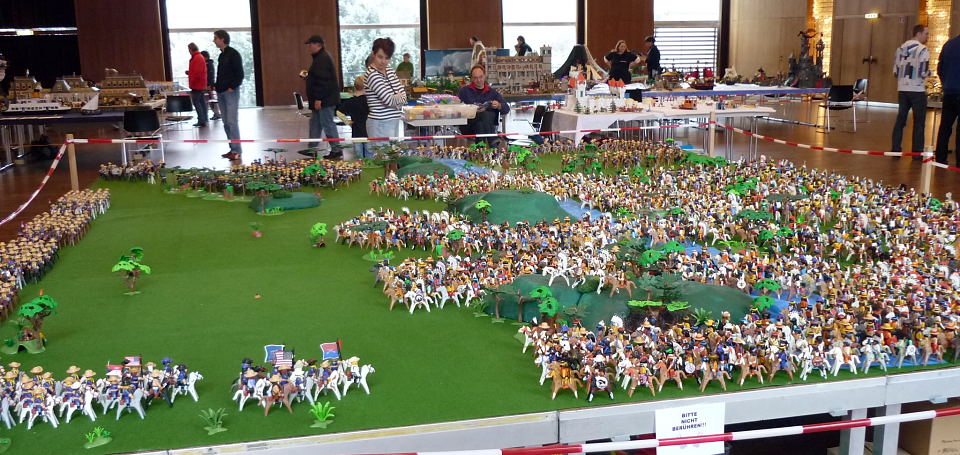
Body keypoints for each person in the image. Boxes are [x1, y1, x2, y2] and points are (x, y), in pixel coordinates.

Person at [892, 24, 930, 159]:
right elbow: (923, 72)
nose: (927, 37)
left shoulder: (900, 48)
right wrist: (930, 73)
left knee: (900, 120)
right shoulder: (923, 49)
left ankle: (895, 149)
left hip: (902, 89)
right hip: (917, 90)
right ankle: (917, 153)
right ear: (918, 34)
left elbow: (895, 72)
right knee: (919, 122)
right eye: (926, 34)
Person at [304, 34, 342, 158]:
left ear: (318, 45)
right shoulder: (320, 57)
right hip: (322, 99)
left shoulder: (322, 59)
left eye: (311, 44)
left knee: (328, 124)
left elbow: (323, 81)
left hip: (325, 100)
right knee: (315, 123)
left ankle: (336, 150)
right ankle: (312, 148)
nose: (309, 46)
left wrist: (318, 98)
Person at [365, 37, 407, 149]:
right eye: (380, 57)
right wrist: (397, 97)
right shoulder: (372, 75)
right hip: (379, 123)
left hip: (394, 121)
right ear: (373, 54)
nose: (383, 61)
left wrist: (396, 98)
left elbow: (404, 96)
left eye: (387, 58)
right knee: (383, 158)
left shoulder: (390, 70)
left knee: (392, 156)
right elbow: (388, 100)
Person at [458, 65, 510, 146]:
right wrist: (472, 110)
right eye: (475, 78)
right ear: (471, 79)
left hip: (482, 126)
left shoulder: (492, 92)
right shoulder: (464, 91)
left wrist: (499, 105)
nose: (479, 80)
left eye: (481, 77)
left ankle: (480, 149)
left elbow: (506, 109)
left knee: (481, 122)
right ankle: (493, 140)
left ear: (485, 76)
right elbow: (458, 109)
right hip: (469, 126)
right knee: (483, 114)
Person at [213, 30, 244, 160]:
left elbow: (240, 74)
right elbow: (221, 74)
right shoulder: (222, 55)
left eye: (215, 38)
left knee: (232, 122)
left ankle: (237, 150)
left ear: (222, 39)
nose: (214, 41)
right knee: (225, 122)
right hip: (221, 92)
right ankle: (232, 149)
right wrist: (216, 86)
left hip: (230, 92)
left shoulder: (233, 54)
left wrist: (232, 87)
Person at [937, 33, 960, 165]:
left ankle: (940, 158)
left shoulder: (948, 45)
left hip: (949, 91)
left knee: (945, 127)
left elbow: (940, 68)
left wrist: (945, 83)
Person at [338, 75, 370, 159]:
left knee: (358, 155)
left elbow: (338, 112)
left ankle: (359, 166)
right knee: (369, 153)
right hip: (369, 131)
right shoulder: (370, 101)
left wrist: (347, 122)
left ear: (355, 86)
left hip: (356, 132)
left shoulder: (350, 101)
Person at [185, 43, 208, 128]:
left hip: (197, 84)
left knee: (196, 102)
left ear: (191, 49)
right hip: (200, 84)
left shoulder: (197, 58)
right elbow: (197, 71)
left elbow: (197, 73)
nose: (188, 51)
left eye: (189, 49)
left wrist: (192, 81)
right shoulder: (199, 57)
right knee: (201, 102)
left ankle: (201, 120)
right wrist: (189, 73)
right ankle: (204, 119)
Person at [201, 50, 221, 120]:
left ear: (205, 57)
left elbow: (210, 75)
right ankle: (215, 113)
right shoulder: (207, 64)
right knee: (209, 100)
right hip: (207, 85)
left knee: (211, 100)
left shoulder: (209, 64)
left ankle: (216, 113)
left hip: (209, 85)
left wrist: (210, 85)